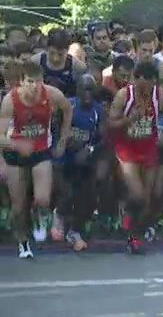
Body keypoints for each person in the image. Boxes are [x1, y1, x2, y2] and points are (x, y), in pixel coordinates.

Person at [108, 61, 163, 254]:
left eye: (148, 87)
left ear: (154, 82)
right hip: (127, 147)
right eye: (140, 87)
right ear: (135, 80)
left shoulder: (162, 96)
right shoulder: (124, 95)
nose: (144, 92)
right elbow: (110, 124)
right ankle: (127, 216)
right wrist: (129, 119)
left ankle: (135, 236)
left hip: (149, 146)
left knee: (147, 199)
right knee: (138, 194)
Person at [0, 61, 72, 259]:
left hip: (41, 150)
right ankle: (23, 242)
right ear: (21, 82)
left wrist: (62, 141)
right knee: (18, 205)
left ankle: (40, 215)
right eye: (30, 81)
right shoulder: (10, 100)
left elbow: (67, 109)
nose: (34, 86)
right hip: (15, 154)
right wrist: (15, 146)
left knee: (43, 199)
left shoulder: (51, 94)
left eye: (38, 81)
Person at [51, 76, 105, 251]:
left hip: (85, 160)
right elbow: (55, 130)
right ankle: (57, 216)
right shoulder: (68, 106)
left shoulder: (99, 111)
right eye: (85, 89)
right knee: (66, 193)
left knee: (88, 196)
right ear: (78, 90)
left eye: (91, 89)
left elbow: (103, 139)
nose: (88, 93)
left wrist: (88, 150)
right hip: (64, 158)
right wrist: (64, 143)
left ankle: (75, 231)